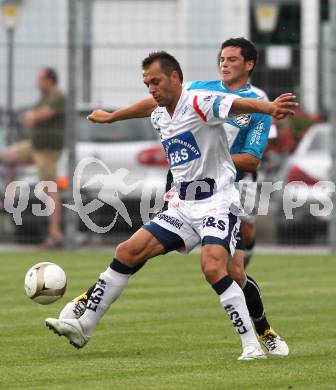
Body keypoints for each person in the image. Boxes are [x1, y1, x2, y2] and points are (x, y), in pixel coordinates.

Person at [46, 51, 296, 360]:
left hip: (217, 202)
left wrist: (269, 108)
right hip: (182, 204)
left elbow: (235, 105)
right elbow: (146, 106)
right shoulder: (159, 112)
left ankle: (252, 345)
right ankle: (84, 327)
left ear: (175, 78)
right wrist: (112, 116)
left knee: (215, 268)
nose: (151, 89)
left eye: (156, 82)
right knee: (127, 251)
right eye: (147, 83)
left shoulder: (199, 100)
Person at [3, 67, 65, 248]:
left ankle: (55, 233)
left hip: (46, 150)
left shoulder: (57, 97)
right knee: (9, 156)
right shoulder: (44, 98)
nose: (37, 83)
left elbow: (41, 115)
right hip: (34, 146)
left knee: (49, 189)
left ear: (49, 80)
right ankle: (10, 196)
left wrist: (32, 116)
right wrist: (30, 116)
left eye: (40, 79)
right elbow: (30, 116)